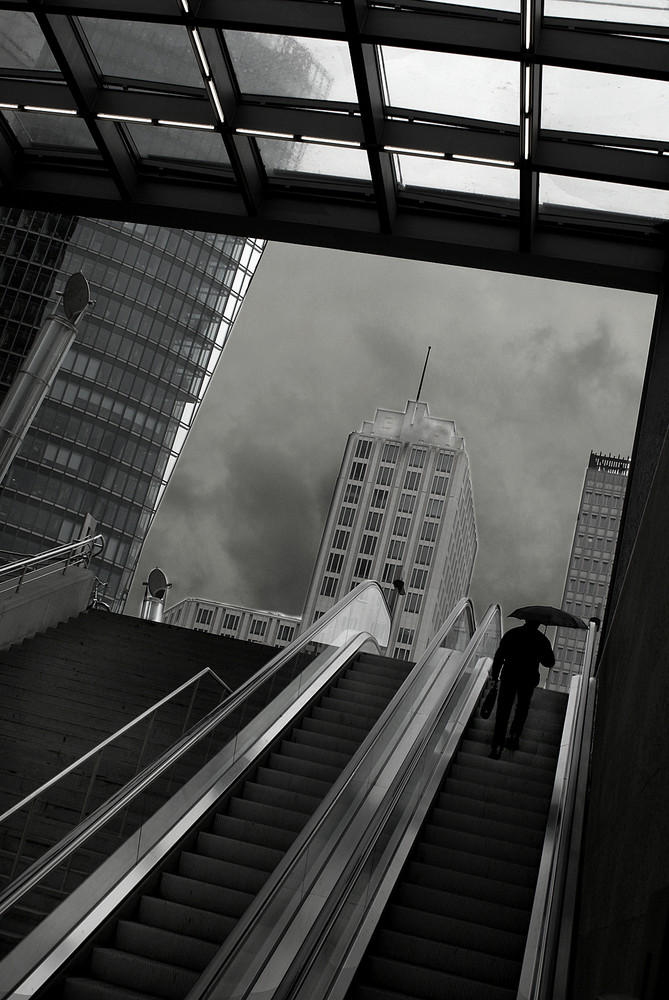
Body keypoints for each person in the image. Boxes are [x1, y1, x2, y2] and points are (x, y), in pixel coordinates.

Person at [488, 619, 555, 759]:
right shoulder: (541, 639)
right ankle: (513, 736)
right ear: (538, 624)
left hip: (509, 676)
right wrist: (544, 649)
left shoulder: (512, 634)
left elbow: (499, 656)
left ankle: (497, 746)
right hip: (528, 679)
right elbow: (549, 662)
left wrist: (495, 676)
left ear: (524, 620)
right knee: (522, 708)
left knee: (503, 710)